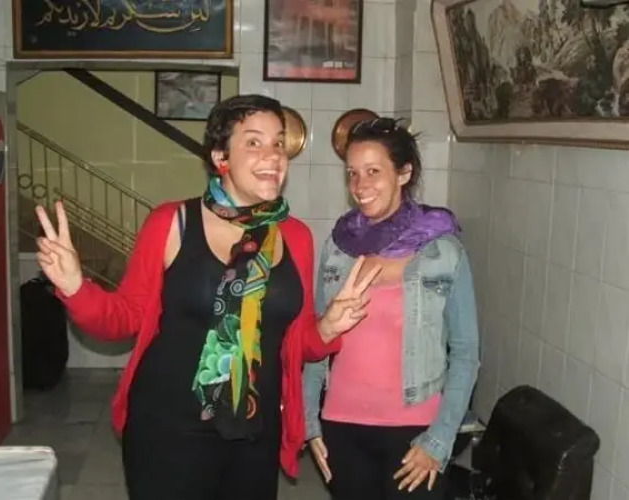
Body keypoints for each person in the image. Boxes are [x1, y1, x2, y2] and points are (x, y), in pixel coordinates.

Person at [34, 94, 381, 500]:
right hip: (169, 426)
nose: (273, 155)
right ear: (220, 157)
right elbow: (123, 317)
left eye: (278, 143)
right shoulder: (173, 222)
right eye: (253, 142)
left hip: (254, 430)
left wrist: (328, 326)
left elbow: (294, 342)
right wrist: (75, 287)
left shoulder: (295, 237)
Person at [302, 117, 480, 500]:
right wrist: (309, 420)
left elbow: (466, 353)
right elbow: (316, 340)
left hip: (416, 431)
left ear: (404, 173)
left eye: (373, 171)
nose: (360, 186)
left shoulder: (442, 250)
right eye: (352, 173)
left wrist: (439, 439)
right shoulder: (339, 247)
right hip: (342, 426)